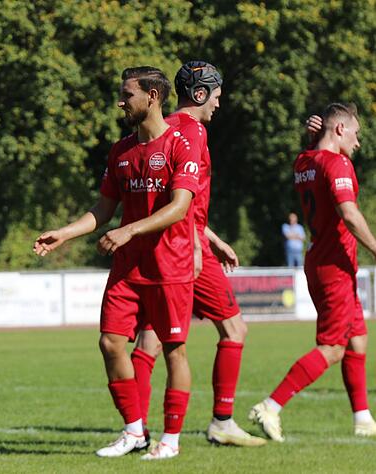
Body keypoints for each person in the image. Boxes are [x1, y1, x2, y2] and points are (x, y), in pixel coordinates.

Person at [34, 66, 200, 460]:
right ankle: (133, 432)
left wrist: (129, 231)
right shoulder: (121, 150)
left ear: (153, 97)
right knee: (110, 342)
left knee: (174, 350)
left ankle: (171, 439)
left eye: (128, 95)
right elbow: (103, 209)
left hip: (169, 266)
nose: (121, 102)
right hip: (128, 268)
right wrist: (66, 233)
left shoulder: (180, 144)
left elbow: (180, 208)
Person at [129, 61, 264, 447]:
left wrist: (213, 237)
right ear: (201, 94)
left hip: (174, 241)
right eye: (217, 97)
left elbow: (179, 198)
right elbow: (182, 204)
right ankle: (222, 421)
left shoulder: (164, 127)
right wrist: (199, 243)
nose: (219, 105)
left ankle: (134, 430)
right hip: (186, 248)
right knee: (234, 328)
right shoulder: (194, 131)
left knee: (149, 339)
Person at [249, 103, 376, 441]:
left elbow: (311, 158)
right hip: (334, 266)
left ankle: (363, 419)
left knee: (358, 340)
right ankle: (271, 406)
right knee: (333, 348)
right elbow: (349, 214)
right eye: (355, 133)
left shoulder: (303, 162)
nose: (358, 142)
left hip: (321, 261)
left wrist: (311, 138)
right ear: (338, 130)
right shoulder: (338, 163)